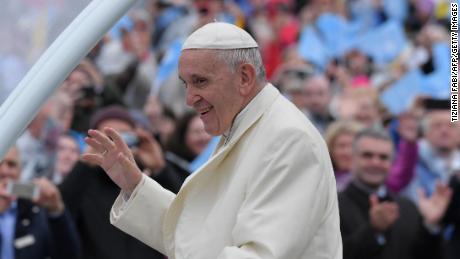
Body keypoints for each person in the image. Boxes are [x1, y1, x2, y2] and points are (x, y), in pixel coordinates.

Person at [83, 22, 342, 258]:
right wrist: (135, 185)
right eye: (186, 84)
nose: (189, 98)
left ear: (244, 77)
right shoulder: (243, 125)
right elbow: (197, 237)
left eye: (200, 82)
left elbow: (260, 254)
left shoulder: (289, 138)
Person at [59, 105, 165, 259]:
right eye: (108, 138)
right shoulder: (84, 181)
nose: (116, 145)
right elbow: (60, 213)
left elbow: (181, 212)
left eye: (124, 137)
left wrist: (161, 169)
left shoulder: (147, 179)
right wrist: (84, 164)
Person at [339, 128, 451, 259]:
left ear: (392, 162)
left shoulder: (407, 207)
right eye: (367, 155)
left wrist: (430, 226)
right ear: (352, 159)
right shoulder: (334, 206)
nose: (376, 162)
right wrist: (373, 230)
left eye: (383, 157)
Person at [0, 146, 80, 259]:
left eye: (12, 164)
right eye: (0, 162)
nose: (5, 171)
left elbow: (68, 254)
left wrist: (56, 211)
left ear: (20, 171)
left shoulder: (34, 209)